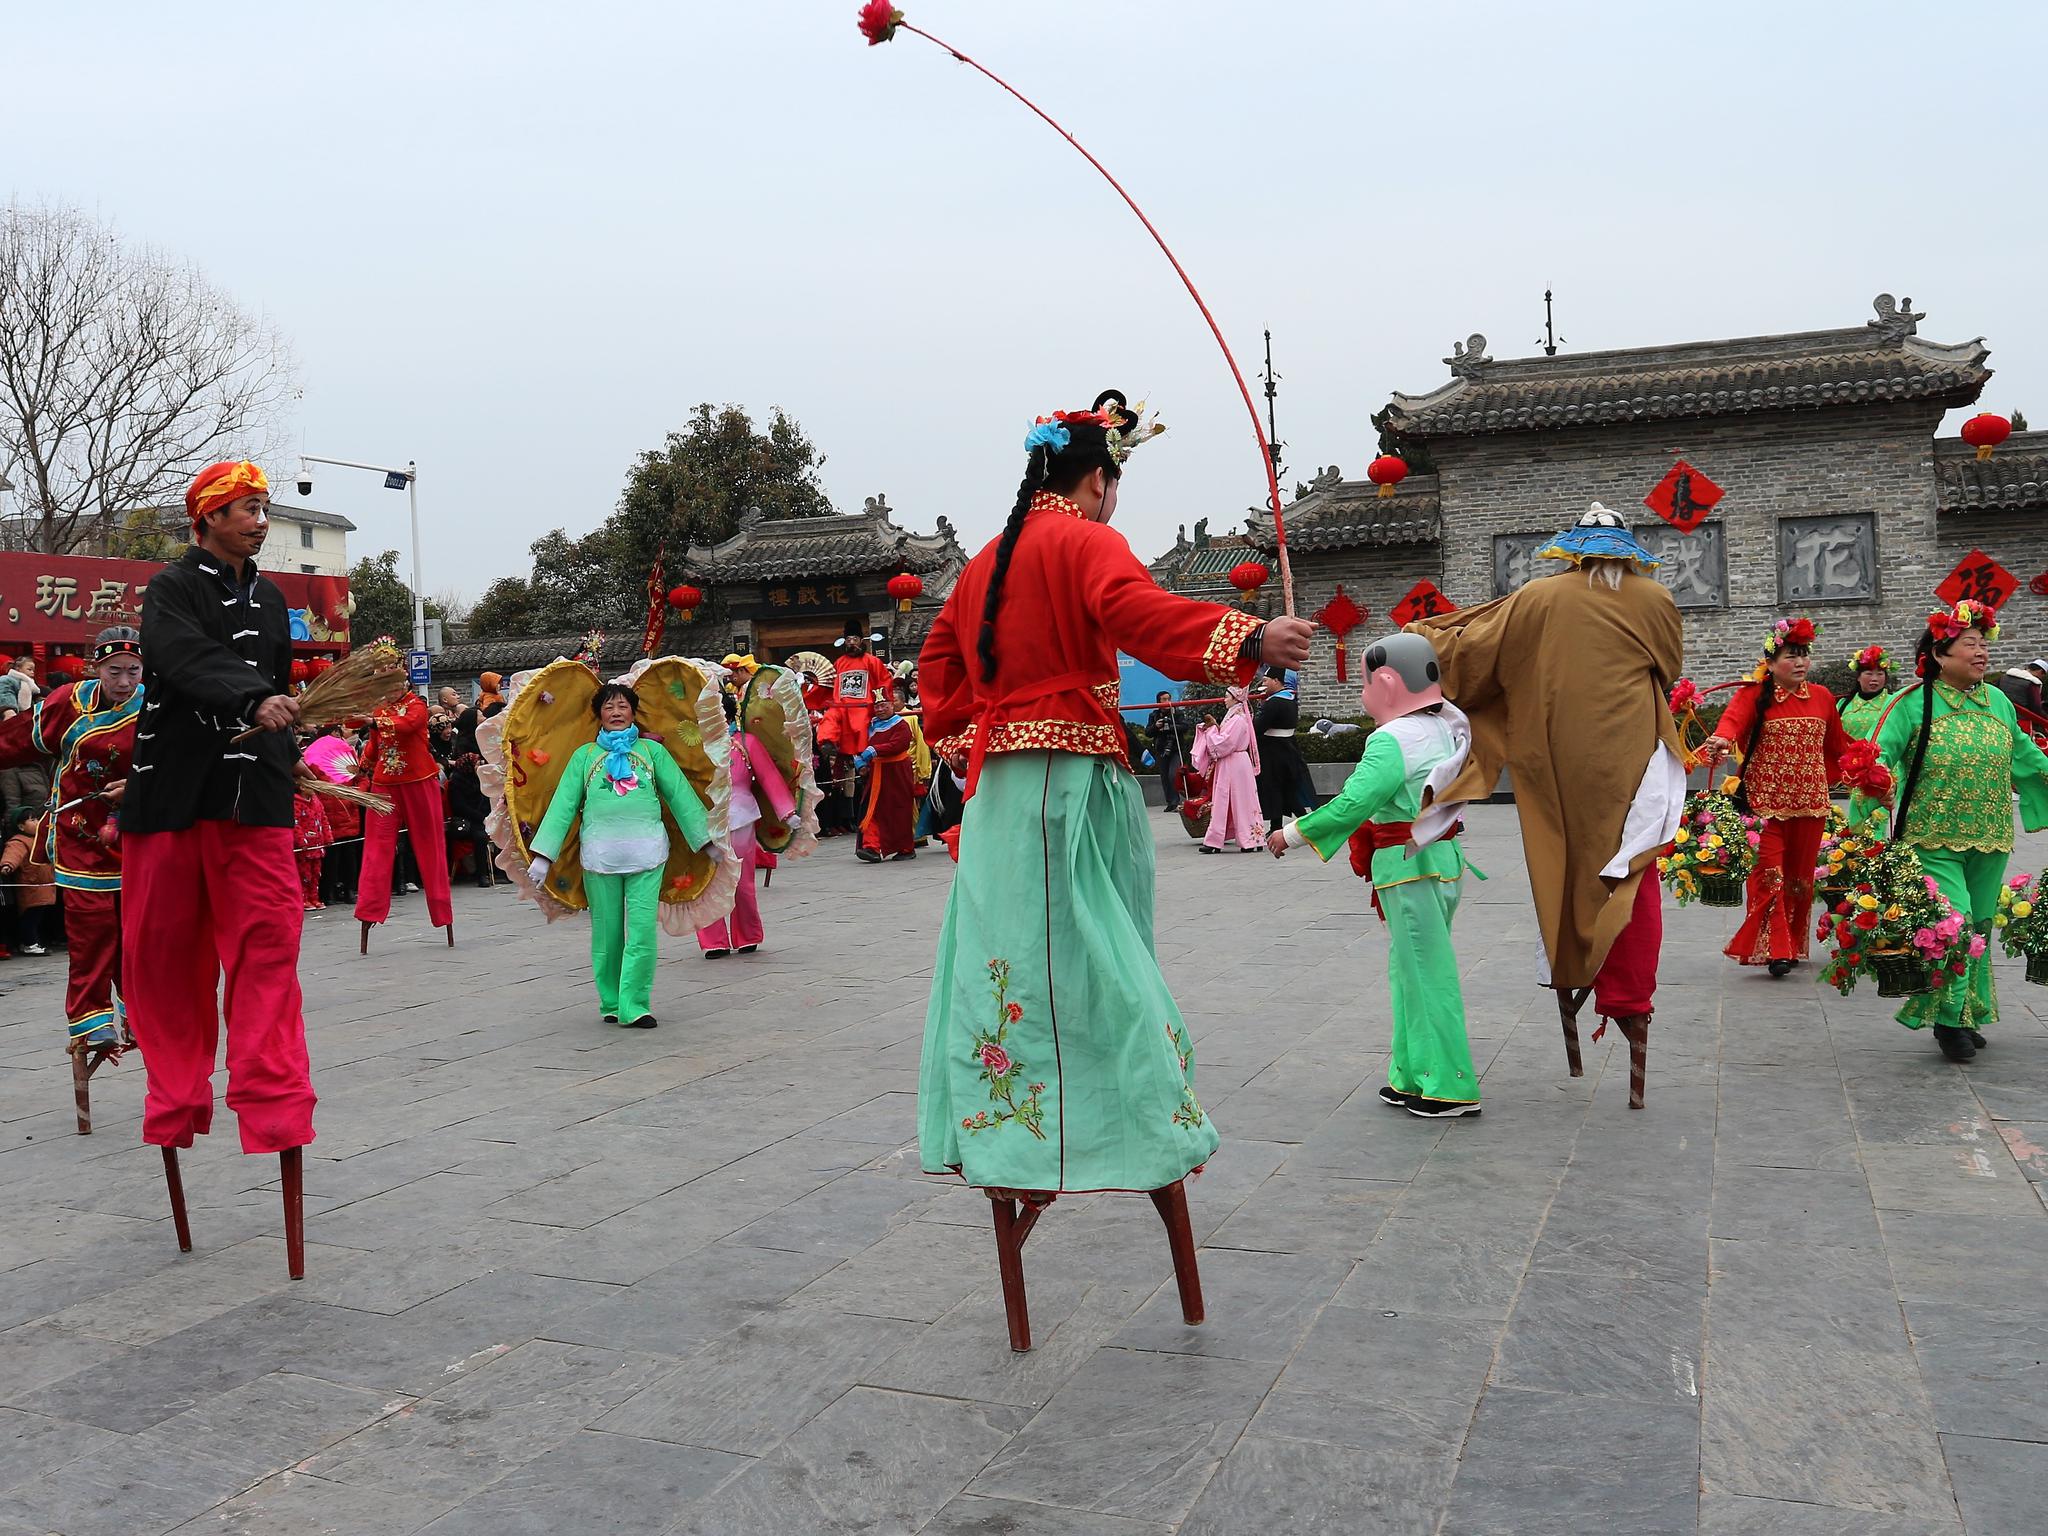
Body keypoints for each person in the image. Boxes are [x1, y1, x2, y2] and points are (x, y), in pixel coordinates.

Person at [914, 388, 1312, 1226]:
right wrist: (1249, 638)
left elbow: (939, 661)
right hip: (1073, 782)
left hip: (1000, 796)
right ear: (1097, 480)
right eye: (1115, 483)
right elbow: (1136, 613)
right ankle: (1135, 1127)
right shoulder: (1085, 540)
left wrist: (966, 737)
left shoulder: (989, 557)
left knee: (1009, 959)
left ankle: (1009, 1134)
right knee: (1102, 952)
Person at [1408, 504, 1684, 1109]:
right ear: (1627, 551)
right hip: (1632, 756)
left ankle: (1570, 974)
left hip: (1556, 754)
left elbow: (1476, 655)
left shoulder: (1536, 597)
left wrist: (1429, 637)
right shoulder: (1656, 601)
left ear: (1576, 550)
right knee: (1631, 868)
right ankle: (1630, 1004)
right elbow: (1669, 669)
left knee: (1563, 864)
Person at [119, 459, 317, 1157]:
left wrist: (288, 750)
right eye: (246, 510)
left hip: (253, 798)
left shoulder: (269, 600)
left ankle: (271, 1100)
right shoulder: (170, 589)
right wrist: (249, 697)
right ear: (206, 518)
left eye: (263, 510)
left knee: (270, 947)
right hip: (175, 796)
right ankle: (175, 1096)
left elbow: (280, 681)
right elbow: (178, 655)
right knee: (166, 959)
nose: (260, 523)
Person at [1269, 632, 1480, 1116]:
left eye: (1365, 683)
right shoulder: (1447, 726)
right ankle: (1412, 1074)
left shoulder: (1391, 739)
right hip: (1438, 862)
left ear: (1386, 684)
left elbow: (1353, 802)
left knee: (1426, 975)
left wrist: (1293, 834)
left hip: (1408, 867)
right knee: (1410, 971)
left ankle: (1450, 1084)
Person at [1876, 601, 2048, 1061]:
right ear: (1940, 654)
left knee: (1978, 926)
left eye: (1982, 644)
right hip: (1931, 837)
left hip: (1990, 835)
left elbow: (2025, 757)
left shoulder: (1998, 703)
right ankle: (1949, 1022)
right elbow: (1878, 759)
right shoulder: (1913, 704)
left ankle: (1967, 1009)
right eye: (1969, 644)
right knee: (1953, 924)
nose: (1981, 653)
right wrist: (1876, 786)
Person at [528, 681, 713, 1028]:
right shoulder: (584, 756)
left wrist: (705, 840)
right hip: (599, 856)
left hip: (648, 852)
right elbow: (563, 806)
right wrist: (544, 855)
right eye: (609, 707)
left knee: (642, 931)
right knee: (607, 932)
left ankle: (635, 1004)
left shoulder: (652, 752)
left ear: (633, 712)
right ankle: (611, 1001)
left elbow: (680, 796)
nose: (616, 712)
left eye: (623, 706)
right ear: (599, 714)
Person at [0, 626, 146, 1045]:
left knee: (140, 933)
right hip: (79, 836)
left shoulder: (157, 706)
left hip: (138, 834)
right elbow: (16, 741)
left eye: (133, 671)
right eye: (114, 671)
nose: (124, 681)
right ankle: (92, 1019)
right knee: (91, 930)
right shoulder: (69, 702)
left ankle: (138, 1010)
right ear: (96, 667)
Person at [1700, 617, 1856, 979]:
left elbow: (1838, 746)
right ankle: (1775, 949)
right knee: (1769, 876)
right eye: (1790, 656)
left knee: (1800, 879)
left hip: (1810, 805)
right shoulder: (1753, 694)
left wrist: (1870, 763)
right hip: (1763, 808)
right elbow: (1731, 724)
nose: (1800, 663)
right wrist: (1721, 741)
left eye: (1803, 655)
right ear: (1770, 663)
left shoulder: (1821, 697)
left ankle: (1791, 944)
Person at [353, 685, 455, 947]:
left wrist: (374, 721)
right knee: (376, 850)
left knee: (430, 846)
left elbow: (409, 725)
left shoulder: (416, 706)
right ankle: (368, 911)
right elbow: (375, 745)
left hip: (419, 780)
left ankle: (442, 912)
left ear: (403, 681)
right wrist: (362, 765)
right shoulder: (380, 709)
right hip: (385, 784)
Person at [697, 691, 798, 957]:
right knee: (707, 882)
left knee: (742, 881)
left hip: (741, 816)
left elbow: (769, 777)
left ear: (729, 714)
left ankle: (747, 934)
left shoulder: (745, 743)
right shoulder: (695, 745)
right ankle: (713, 939)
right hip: (705, 819)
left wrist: (786, 811)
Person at [1192, 688, 1264, 853]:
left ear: (1235, 699)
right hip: (1235, 762)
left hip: (1233, 762)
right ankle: (1250, 839)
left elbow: (1224, 744)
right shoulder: (1235, 717)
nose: (1224, 700)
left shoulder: (1237, 719)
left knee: (1231, 800)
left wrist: (1211, 730)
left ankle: (1239, 840)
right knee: (1239, 800)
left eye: (1226, 697)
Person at [854, 691, 918, 862]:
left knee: (898, 810)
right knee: (872, 810)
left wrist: (875, 750)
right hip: (876, 773)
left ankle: (905, 848)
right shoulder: (870, 725)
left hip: (897, 773)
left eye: (884, 705)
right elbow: (857, 744)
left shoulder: (901, 725)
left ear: (892, 705)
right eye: (877, 706)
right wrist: (859, 761)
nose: (880, 709)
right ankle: (871, 847)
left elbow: (899, 744)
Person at [1839, 644, 1899, 826]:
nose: (1875, 679)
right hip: (1848, 778)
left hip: (1883, 776)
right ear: (1858, 677)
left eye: (1880, 674)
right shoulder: (1843, 705)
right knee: (1847, 829)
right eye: (1868, 674)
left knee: (1877, 828)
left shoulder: (1894, 703)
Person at [1254, 667, 1318, 827]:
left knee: (1276, 788)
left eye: (1266, 680)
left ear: (1276, 681)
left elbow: (1258, 727)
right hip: (1289, 747)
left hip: (1273, 751)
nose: (1264, 684)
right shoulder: (1290, 699)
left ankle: (1299, 823)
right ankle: (1292, 823)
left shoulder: (1274, 703)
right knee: (1286, 789)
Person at [1, 808, 56, 956]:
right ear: (20, 826)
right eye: (32, 820)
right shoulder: (19, 841)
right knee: (30, 917)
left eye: (37, 819)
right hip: (30, 886)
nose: (37, 822)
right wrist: (7, 865)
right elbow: (12, 855)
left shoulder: (41, 839)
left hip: (45, 885)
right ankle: (29, 943)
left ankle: (35, 941)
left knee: (38, 917)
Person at [292, 783, 332, 910]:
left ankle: (314, 897)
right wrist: (301, 841)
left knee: (316, 873)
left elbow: (324, 819)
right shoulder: (296, 803)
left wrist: (328, 836)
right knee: (305, 874)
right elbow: (295, 823)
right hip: (305, 848)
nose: (314, 789)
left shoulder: (316, 802)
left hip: (317, 845)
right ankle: (303, 899)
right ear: (302, 787)